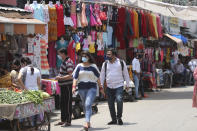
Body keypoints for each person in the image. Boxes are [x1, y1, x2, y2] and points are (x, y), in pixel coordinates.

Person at [72, 51, 105, 130]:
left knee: (87, 104)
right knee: (84, 105)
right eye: (83, 56)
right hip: (81, 88)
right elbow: (75, 78)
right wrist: (73, 87)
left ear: (89, 57)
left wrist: (101, 88)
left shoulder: (93, 66)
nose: (84, 58)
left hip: (92, 88)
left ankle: (86, 122)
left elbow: (98, 78)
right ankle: (88, 121)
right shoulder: (79, 66)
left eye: (86, 56)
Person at [100, 49, 131, 125]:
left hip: (119, 85)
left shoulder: (121, 62)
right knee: (110, 104)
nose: (107, 56)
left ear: (114, 55)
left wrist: (128, 85)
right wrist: (101, 86)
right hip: (109, 86)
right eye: (107, 54)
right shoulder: (105, 64)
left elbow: (126, 74)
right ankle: (113, 119)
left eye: (109, 54)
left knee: (119, 100)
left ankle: (119, 118)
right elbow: (102, 75)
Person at [55, 48, 74, 127]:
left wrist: (60, 78)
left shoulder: (69, 62)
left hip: (67, 86)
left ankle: (68, 121)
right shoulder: (64, 61)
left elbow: (70, 75)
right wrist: (59, 76)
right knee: (62, 103)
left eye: (59, 54)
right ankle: (63, 120)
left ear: (63, 53)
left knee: (67, 103)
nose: (59, 56)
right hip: (62, 86)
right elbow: (63, 73)